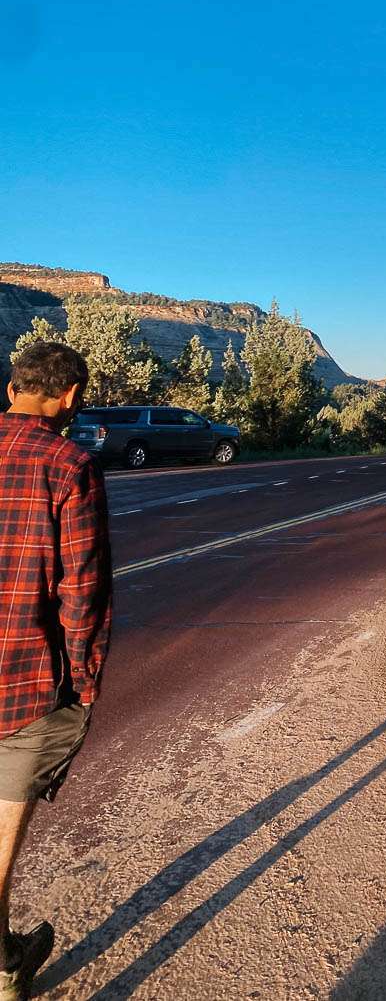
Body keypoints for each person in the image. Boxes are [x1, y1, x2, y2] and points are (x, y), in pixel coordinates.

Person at [0, 342, 112, 999]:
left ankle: (10, 957)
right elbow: (82, 594)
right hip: (23, 686)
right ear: (69, 396)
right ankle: (7, 973)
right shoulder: (68, 464)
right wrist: (83, 682)